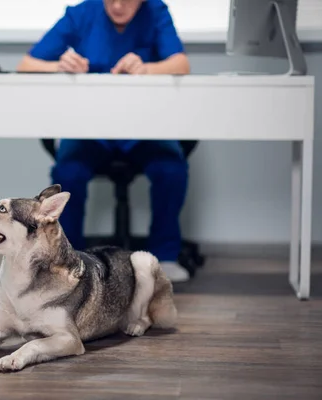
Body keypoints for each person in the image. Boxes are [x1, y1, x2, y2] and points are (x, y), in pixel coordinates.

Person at [16, 0, 192, 282]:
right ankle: (67, 260)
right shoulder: (82, 13)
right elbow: (26, 64)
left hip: (142, 130)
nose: (118, 6)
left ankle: (165, 256)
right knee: (68, 173)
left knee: (171, 170)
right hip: (89, 130)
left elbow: (181, 64)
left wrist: (146, 68)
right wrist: (58, 66)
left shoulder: (156, 11)